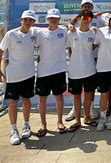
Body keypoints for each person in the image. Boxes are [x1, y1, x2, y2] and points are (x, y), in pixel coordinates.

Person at [0, 10, 38, 145]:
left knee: (26, 101)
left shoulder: (34, 33)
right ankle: (13, 130)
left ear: (33, 22)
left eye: (31, 20)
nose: (28, 22)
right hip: (13, 76)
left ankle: (26, 125)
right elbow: (0, 51)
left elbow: (49, 35)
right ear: (21, 20)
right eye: (25, 19)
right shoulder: (11, 34)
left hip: (29, 75)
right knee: (13, 103)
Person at [65, 0, 102, 122]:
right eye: (84, 6)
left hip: (92, 63)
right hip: (76, 67)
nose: (86, 9)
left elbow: (94, 45)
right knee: (76, 95)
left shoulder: (94, 30)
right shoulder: (72, 30)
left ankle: (89, 111)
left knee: (89, 92)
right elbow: (69, 48)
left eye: (89, 6)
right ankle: (75, 113)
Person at [35, 8, 68, 137]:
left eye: (56, 18)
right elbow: (30, 46)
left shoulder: (64, 31)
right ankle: (43, 124)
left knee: (59, 97)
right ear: (47, 19)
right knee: (42, 99)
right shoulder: (40, 33)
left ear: (59, 19)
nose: (54, 20)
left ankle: (60, 122)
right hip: (43, 71)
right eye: (51, 18)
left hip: (59, 70)